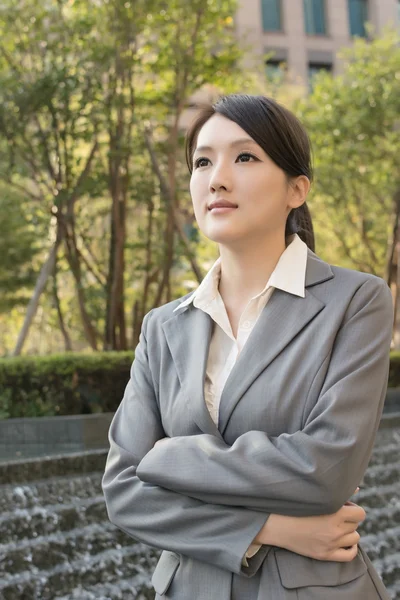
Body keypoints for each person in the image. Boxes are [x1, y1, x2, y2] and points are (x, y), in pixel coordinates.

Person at [102, 94, 393, 599]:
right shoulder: (161, 328)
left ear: (296, 189)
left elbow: (326, 468)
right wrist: (270, 528)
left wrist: (169, 457)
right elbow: (125, 492)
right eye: (201, 161)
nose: (216, 178)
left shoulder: (356, 300)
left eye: (244, 157)